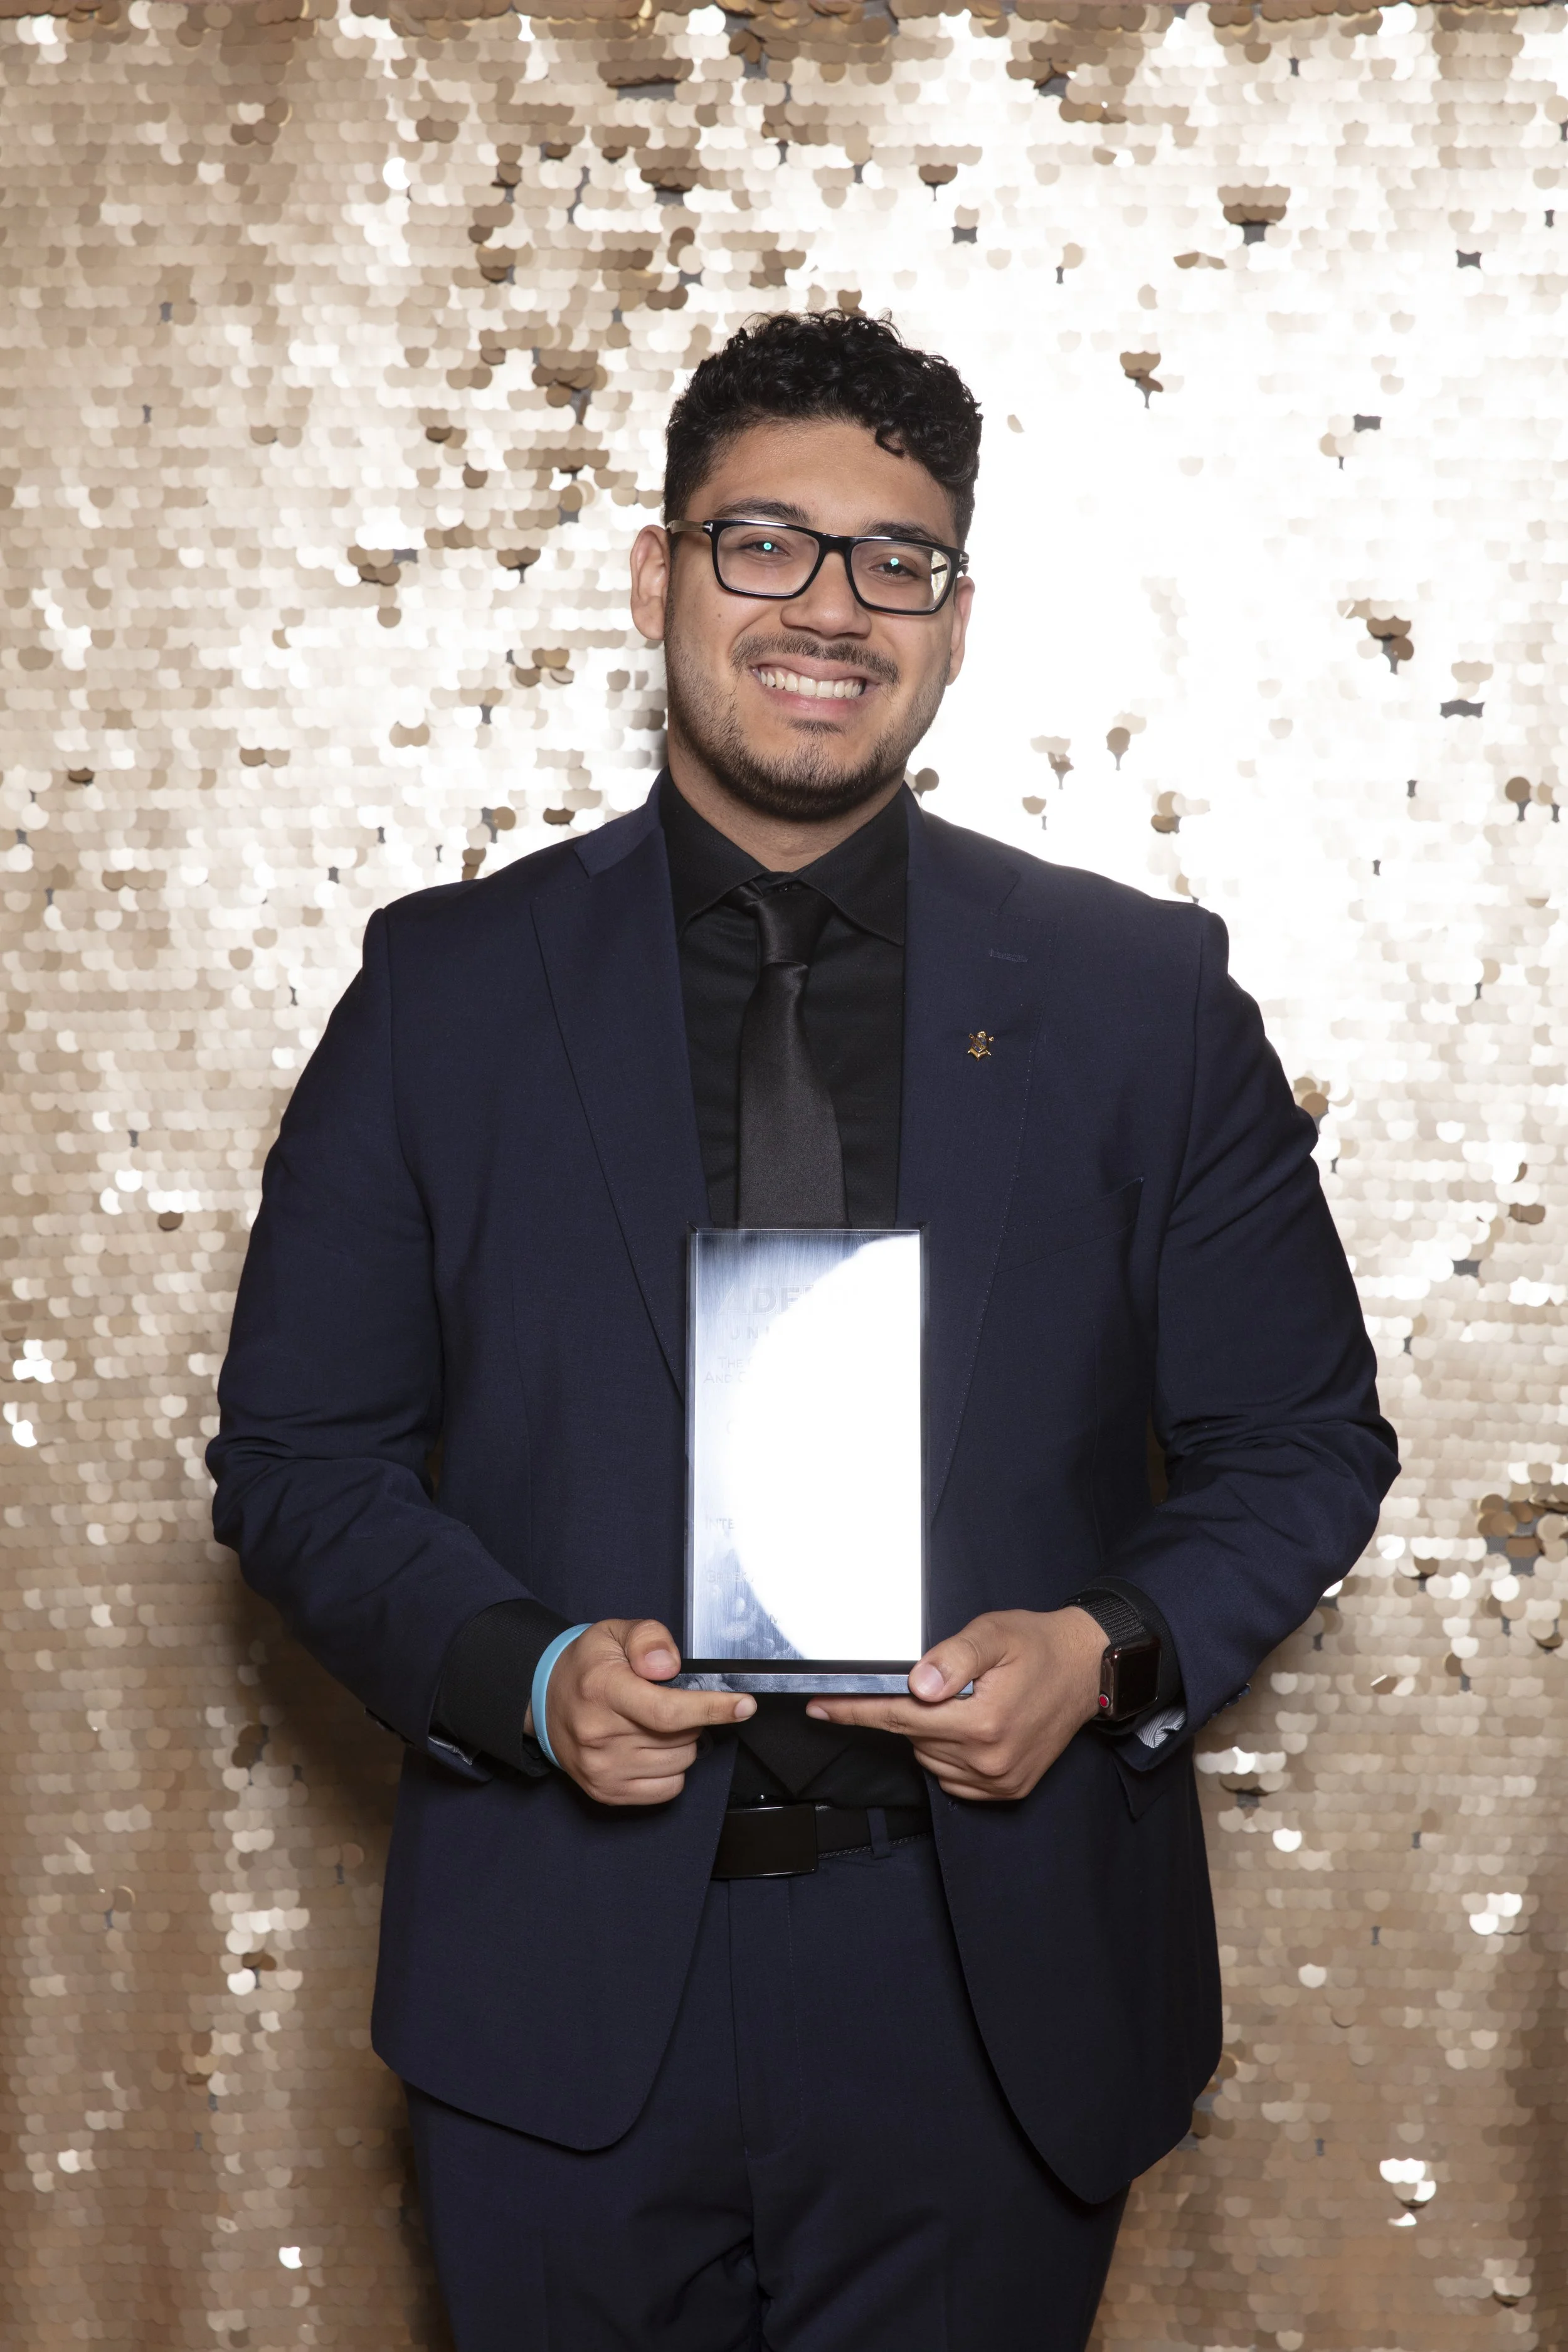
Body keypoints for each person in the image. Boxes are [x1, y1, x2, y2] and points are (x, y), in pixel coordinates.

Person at [209, 310, 1397, 2351]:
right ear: (658, 576)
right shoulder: (443, 993)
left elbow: (1303, 1440)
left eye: (894, 559)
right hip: (564, 1991)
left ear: (951, 618)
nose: (828, 606)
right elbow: (296, 1457)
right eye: (764, 543)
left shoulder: (1141, 1001)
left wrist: (1101, 1650)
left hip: (986, 1983)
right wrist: (529, 1669)